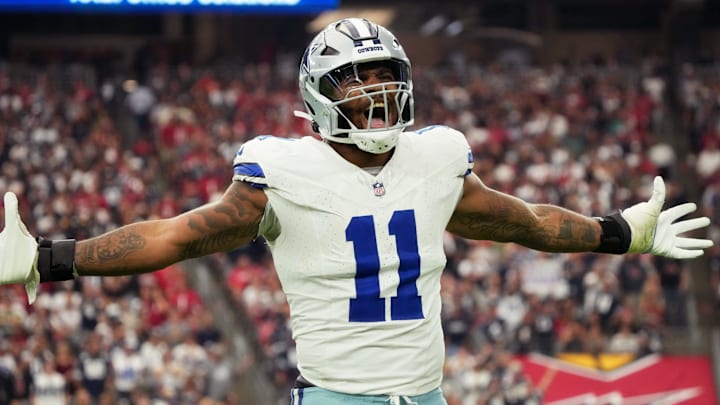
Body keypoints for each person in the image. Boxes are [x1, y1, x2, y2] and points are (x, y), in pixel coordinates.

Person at [0, 18, 713, 405]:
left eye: (385, 77)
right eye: (356, 80)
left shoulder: (436, 157)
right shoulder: (279, 171)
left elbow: (521, 220)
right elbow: (175, 236)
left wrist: (618, 233)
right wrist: (49, 256)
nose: (376, 93)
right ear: (317, 96)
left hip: (428, 396)